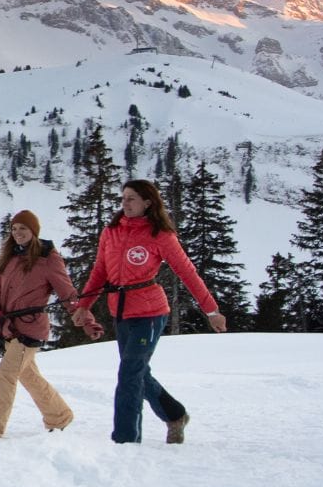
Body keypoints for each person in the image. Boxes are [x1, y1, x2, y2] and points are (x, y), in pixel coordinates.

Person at [75, 177, 226, 444]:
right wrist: (83, 306)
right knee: (138, 373)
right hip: (121, 312)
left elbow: (187, 273)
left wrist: (211, 310)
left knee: (129, 374)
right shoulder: (111, 231)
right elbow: (100, 272)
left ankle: (126, 441)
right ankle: (175, 414)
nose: (126, 203)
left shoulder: (161, 235)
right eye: (123, 198)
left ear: (148, 202)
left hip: (150, 313)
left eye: (131, 198)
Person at [0, 210, 97, 438]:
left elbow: (68, 293)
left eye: (23, 229)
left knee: (5, 374)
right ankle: (59, 416)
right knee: (29, 376)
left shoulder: (48, 259)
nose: (18, 233)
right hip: (9, 329)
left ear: (33, 231)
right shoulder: (9, 258)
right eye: (14, 229)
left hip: (30, 329)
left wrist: (86, 320)